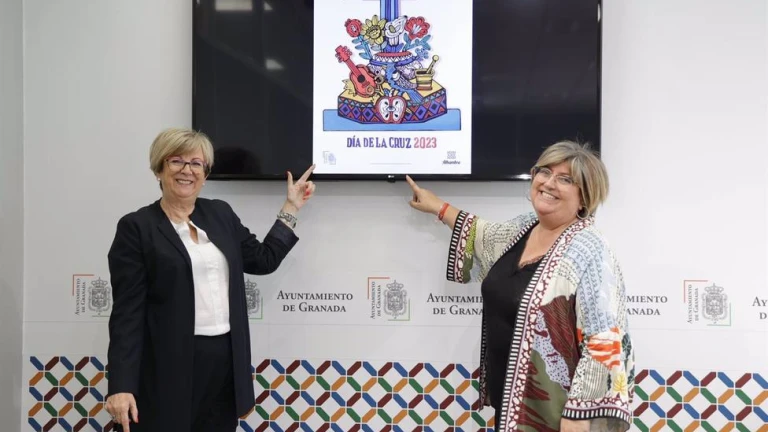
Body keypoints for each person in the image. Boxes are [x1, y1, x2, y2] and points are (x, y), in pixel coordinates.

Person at [405, 141, 634, 432]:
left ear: (584, 198)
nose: (549, 183)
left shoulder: (590, 250)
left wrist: (580, 415)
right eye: (544, 172)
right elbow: (483, 234)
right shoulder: (523, 228)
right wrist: (439, 207)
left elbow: (605, 338)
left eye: (565, 179)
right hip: (512, 405)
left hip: (557, 414)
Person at [104, 128, 316, 432]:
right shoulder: (137, 228)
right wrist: (121, 385)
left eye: (196, 163)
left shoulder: (220, 214)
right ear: (159, 169)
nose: (187, 170)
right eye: (176, 161)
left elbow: (263, 259)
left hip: (223, 363)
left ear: (205, 174)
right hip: (165, 365)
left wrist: (291, 207)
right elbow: (127, 314)